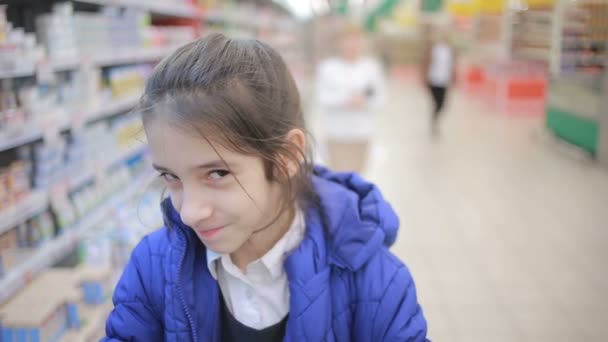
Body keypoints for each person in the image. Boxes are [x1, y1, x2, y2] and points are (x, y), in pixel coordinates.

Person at [102, 33, 428, 342]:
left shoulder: (375, 284)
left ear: (287, 156)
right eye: (171, 177)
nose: (188, 213)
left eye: (217, 174)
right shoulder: (152, 268)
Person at [315, 24, 385, 174]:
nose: (352, 45)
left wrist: (365, 101)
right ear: (339, 43)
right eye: (348, 40)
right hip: (336, 135)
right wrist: (346, 100)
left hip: (362, 134)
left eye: (356, 40)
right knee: (338, 180)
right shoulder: (328, 67)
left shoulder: (371, 67)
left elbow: (380, 99)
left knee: (358, 180)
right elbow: (322, 98)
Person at [421, 29, 456, 136]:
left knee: (442, 104)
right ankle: (434, 122)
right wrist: (424, 77)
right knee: (436, 102)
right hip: (433, 79)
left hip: (444, 80)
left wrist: (453, 77)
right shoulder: (433, 49)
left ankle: (435, 117)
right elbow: (426, 63)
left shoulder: (450, 50)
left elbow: (452, 65)